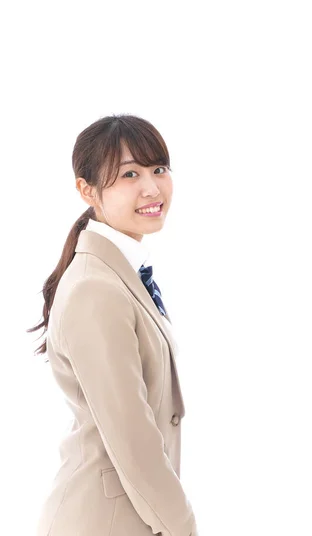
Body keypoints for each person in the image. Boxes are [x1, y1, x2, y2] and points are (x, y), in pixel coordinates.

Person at [28, 114, 199, 536]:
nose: (151, 187)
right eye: (129, 174)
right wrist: (184, 527)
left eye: (158, 169)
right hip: (101, 521)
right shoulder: (95, 288)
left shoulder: (118, 273)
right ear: (87, 190)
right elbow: (133, 439)